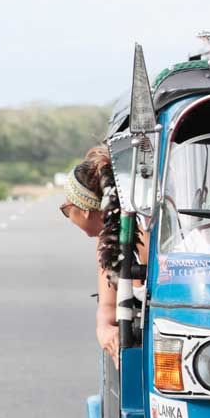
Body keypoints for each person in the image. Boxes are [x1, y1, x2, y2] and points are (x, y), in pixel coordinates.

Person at [61, 147, 145, 362]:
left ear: (85, 210)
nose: (66, 215)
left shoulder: (146, 231)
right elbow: (107, 309)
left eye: (66, 210)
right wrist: (105, 330)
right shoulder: (107, 241)